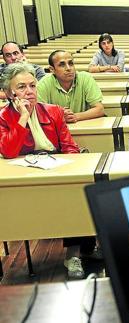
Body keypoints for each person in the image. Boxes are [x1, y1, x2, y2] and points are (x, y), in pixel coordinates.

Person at [0, 63, 96, 279]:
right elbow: (8, 151)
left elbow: (69, 147)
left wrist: (70, 170)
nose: (29, 91)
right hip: (21, 178)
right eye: (22, 87)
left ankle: (74, 253)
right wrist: (23, 118)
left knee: (77, 189)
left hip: (55, 169)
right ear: (9, 92)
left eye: (32, 85)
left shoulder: (53, 111)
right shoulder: (3, 117)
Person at [37, 50, 105, 123]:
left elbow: (99, 109)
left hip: (83, 128)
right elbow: (39, 115)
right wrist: (59, 117)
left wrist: (74, 116)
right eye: (62, 65)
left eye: (71, 63)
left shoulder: (85, 78)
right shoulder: (43, 84)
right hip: (56, 131)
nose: (69, 68)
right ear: (52, 69)